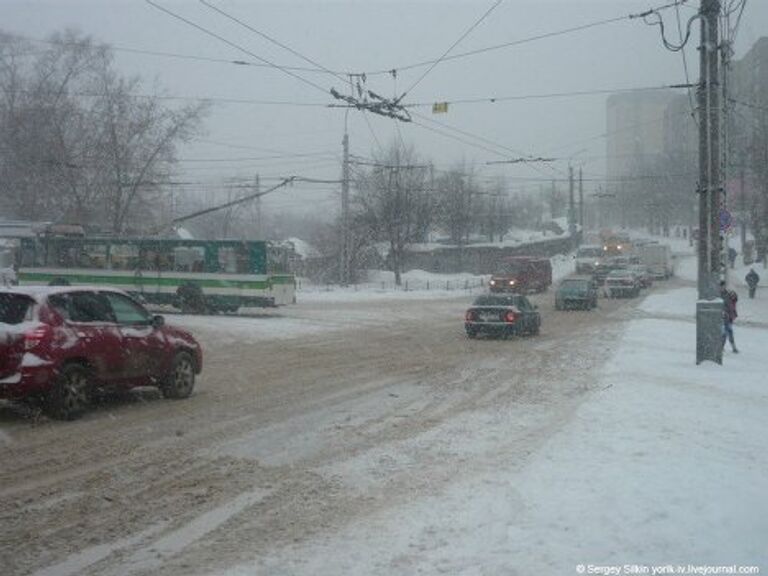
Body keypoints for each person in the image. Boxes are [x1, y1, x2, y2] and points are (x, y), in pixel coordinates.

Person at [720, 281, 739, 353]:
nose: (723, 287)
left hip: (729, 318)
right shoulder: (718, 295)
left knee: (729, 332)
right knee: (725, 333)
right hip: (722, 317)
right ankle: (722, 347)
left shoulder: (727, 294)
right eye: (722, 286)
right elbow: (721, 306)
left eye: (724, 286)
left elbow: (731, 305)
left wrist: (732, 315)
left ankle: (732, 347)